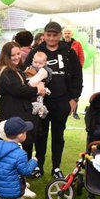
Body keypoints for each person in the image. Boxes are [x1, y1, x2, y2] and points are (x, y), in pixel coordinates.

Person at [25, 22, 83, 179]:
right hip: (41, 103)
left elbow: (77, 76)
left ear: (60, 35)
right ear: (44, 35)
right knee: (40, 135)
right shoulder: (36, 52)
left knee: (58, 135)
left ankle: (56, 167)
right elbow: (26, 74)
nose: (51, 38)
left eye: (55, 35)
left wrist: (74, 99)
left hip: (62, 102)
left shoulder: (69, 52)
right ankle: (39, 165)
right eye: (48, 35)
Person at [0, 42, 46, 159]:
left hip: (17, 109)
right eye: (13, 55)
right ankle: (17, 170)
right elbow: (19, 90)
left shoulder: (15, 69)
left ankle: (21, 170)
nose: (17, 57)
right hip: (13, 110)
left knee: (20, 142)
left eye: (18, 53)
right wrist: (37, 89)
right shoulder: (6, 72)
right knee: (15, 141)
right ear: (6, 56)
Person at [63, 28, 85, 119]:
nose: (67, 34)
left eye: (69, 33)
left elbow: (81, 57)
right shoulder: (60, 44)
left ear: (71, 34)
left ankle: (75, 112)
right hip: (64, 72)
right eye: (65, 33)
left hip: (74, 71)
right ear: (63, 34)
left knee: (75, 90)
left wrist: (78, 68)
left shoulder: (77, 44)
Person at [24, 51, 52, 119]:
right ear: (32, 60)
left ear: (45, 63)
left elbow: (38, 78)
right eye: (35, 62)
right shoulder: (30, 68)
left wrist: (29, 83)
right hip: (34, 90)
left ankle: (41, 109)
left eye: (40, 63)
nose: (37, 64)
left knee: (39, 97)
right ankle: (42, 109)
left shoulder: (44, 70)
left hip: (36, 85)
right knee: (38, 98)